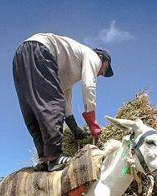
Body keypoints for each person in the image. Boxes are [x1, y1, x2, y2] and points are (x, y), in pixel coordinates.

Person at [12, 33, 114, 172]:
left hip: (20, 57)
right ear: (102, 58)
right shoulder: (92, 56)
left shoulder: (69, 64)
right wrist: (92, 123)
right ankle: (55, 157)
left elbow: (65, 97)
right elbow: (89, 86)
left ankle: (45, 159)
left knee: (34, 110)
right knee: (52, 105)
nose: (102, 73)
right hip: (41, 50)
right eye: (106, 68)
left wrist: (74, 127)